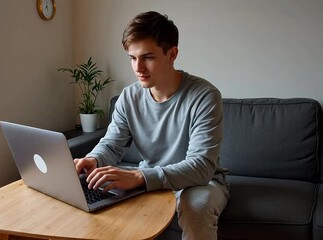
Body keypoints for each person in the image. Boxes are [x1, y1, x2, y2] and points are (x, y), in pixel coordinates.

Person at [74, 11, 230, 240]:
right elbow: (111, 145)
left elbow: (201, 166)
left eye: (148, 57)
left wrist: (140, 177)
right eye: (132, 57)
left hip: (201, 182)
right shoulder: (128, 97)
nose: (138, 67)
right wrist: (94, 159)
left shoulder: (204, 96)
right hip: (149, 176)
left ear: (172, 54)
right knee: (96, 194)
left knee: (195, 207)